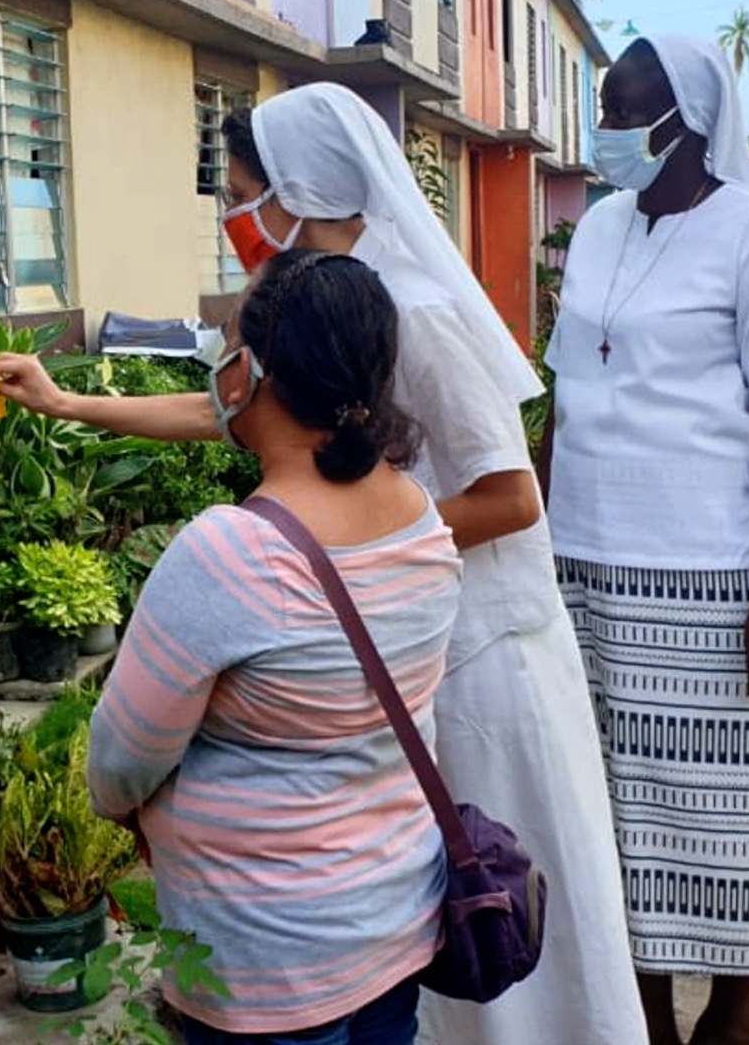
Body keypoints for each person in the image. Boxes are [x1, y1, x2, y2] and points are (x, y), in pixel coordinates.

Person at [0, 84, 650, 1045]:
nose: (232, 216)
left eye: (244, 190)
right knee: (392, 918)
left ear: (295, 189)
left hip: (465, 656)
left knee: (487, 927)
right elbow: (231, 405)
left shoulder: (411, 312)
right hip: (376, 642)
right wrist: (72, 405)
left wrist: (353, 553)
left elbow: (511, 496)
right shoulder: (316, 315)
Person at [88, 250, 461, 1044]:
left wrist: (138, 817)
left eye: (226, 339)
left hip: (266, 960)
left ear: (249, 373)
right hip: (394, 925)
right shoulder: (420, 520)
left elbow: (120, 760)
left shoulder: (230, 555)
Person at [545, 34, 749, 1045]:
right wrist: (542, 538)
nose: (607, 129)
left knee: (732, 816)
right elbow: (567, 390)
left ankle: (733, 1014)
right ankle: (648, 1019)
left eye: (623, 110)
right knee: (621, 813)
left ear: (686, 120)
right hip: (587, 567)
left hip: (713, 578)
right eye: (605, 108)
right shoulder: (599, 228)